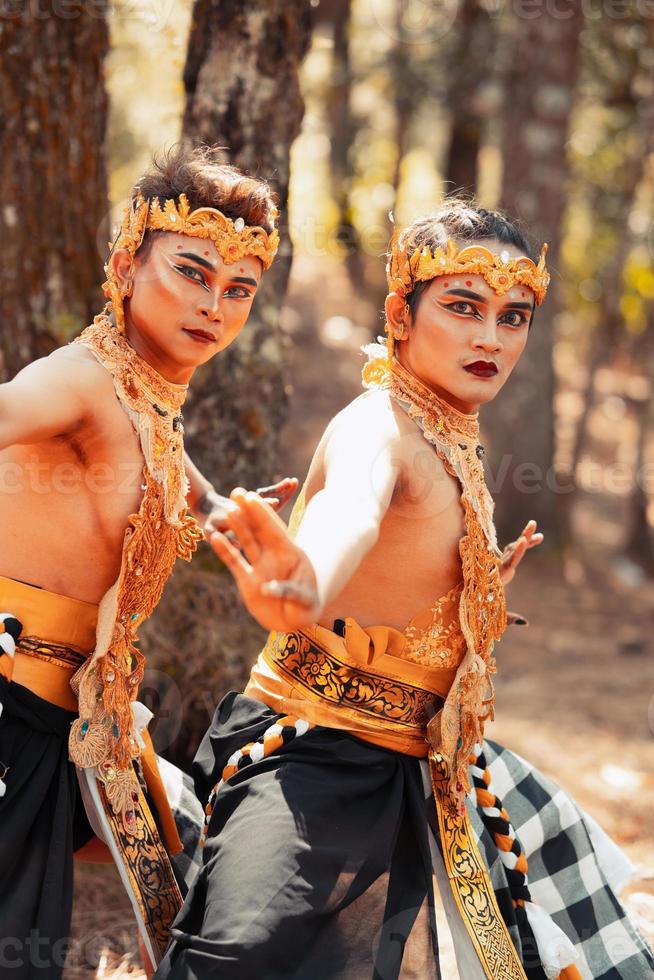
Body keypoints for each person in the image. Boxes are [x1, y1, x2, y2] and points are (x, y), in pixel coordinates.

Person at [157, 201, 654, 980]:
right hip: (315, 756)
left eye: (513, 316)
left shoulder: (448, 426)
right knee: (235, 961)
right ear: (401, 312)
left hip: (427, 768)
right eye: (463, 307)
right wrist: (301, 583)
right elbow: (348, 514)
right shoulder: (380, 427)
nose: (491, 337)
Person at [0, 144, 296, 977]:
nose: (215, 306)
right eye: (192, 272)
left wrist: (228, 519)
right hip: (14, 706)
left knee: (187, 867)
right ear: (128, 265)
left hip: (75, 718)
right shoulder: (83, 379)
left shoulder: (147, 395)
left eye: (238, 289)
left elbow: (168, 479)